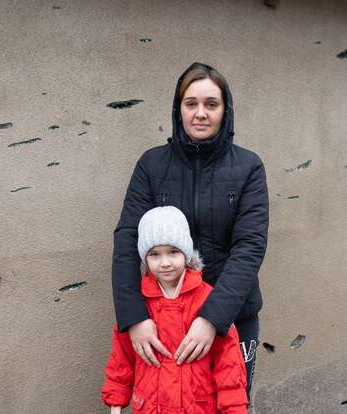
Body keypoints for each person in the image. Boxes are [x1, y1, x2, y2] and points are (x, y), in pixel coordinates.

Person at [111, 62, 268, 396]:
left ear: (225, 111)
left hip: (232, 320)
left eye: (211, 104)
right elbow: (127, 240)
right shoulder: (152, 165)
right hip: (163, 322)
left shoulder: (248, 167)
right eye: (191, 103)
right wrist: (134, 319)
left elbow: (249, 247)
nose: (200, 113)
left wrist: (212, 318)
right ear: (177, 108)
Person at [102, 206, 248, 413]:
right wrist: (116, 400)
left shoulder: (208, 300)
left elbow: (228, 362)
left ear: (186, 254)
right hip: (150, 406)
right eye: (154, 254)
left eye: (173, 252)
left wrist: (234, 408)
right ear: (145, 259)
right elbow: (122, 356)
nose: (165, 263)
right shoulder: (137, 305)